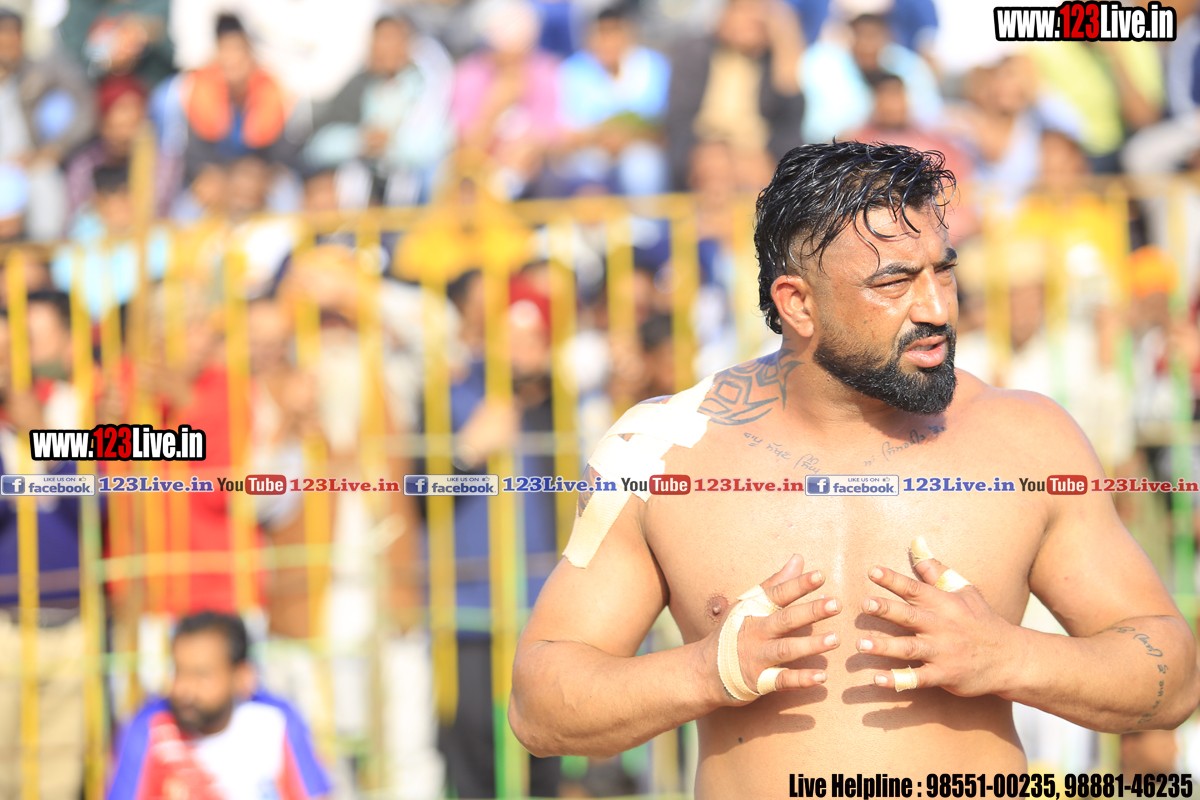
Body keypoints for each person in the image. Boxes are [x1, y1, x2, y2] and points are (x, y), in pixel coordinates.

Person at [509, 142, 1200, 795]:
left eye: (943, 271)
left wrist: (1008, 656)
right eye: (894, 282)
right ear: (797, 304)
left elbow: (1175, 674)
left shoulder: (1027, 440)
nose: (936, 308)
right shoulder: (661, 452)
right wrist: (705, 670)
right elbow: (538, 706)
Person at [107, 611, 332, 799]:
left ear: (242, 677)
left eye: (201, 675)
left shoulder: (276, 721)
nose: (184, 689)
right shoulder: (147, 729)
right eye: (178, 671)